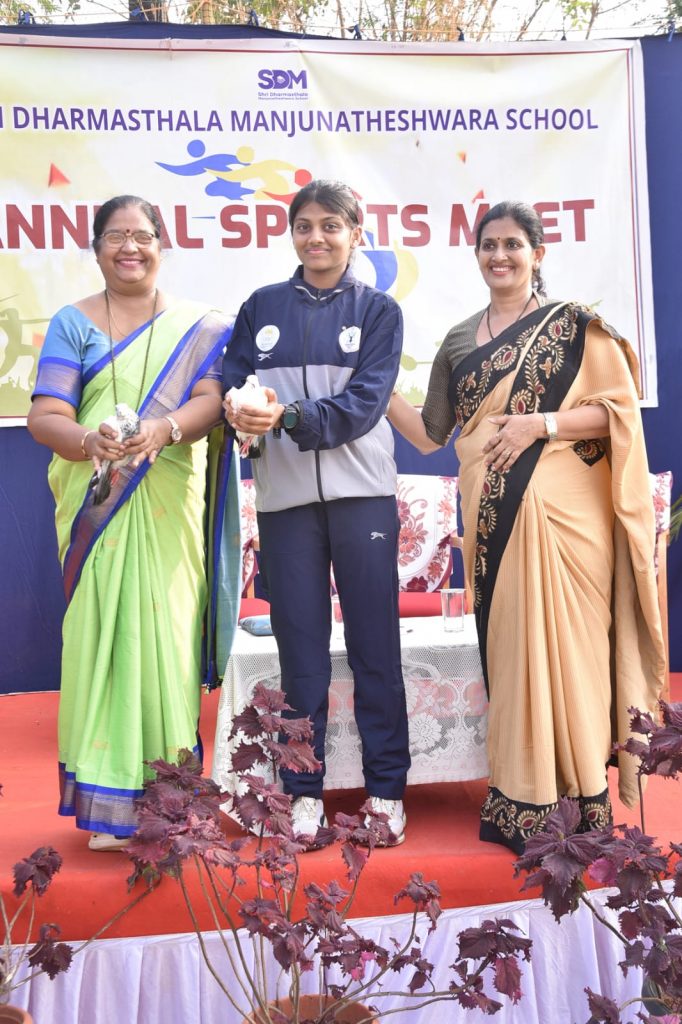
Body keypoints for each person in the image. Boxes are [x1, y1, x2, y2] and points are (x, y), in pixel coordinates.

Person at [388, 200, 666, 854]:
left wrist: (539, 424)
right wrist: (375, 385)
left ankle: (582, 799)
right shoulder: (459, 341)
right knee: (515, 653)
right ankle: (523, 798)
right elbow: (429, 435)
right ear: (476, 254)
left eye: (513, 244)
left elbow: (618, 413)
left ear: (537, 253)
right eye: (489, 245)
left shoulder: (574, 326)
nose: (500, 256)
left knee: (575, 654)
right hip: (495, 525)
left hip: (570, 527)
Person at [27, 195, 239, 852]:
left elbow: (210, 402)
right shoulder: (73, 323)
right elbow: (46, 416)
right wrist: (89, 441)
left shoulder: (199, 327)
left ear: (161, 245)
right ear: (96, 249)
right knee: (105, 640)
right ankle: (110, 800)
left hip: (168, 506)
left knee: (166, 640)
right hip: (98, 507)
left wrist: (163, 428)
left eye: (142, 235)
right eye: (115, 236)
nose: (130, 247)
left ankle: (168, 799)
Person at [222, 179, 411, 844]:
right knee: (300, 653)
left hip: (363, 498)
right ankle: (303, 792)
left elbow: (364, 405)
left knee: (374, 648)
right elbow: (234, 386)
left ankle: (386, 791)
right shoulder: (261, 307)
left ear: (356, 233)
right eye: (304, 225)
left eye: (331, 225)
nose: (317, 238)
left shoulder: (379, 311)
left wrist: (286, 416)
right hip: (285, 503)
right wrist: (239, 411)